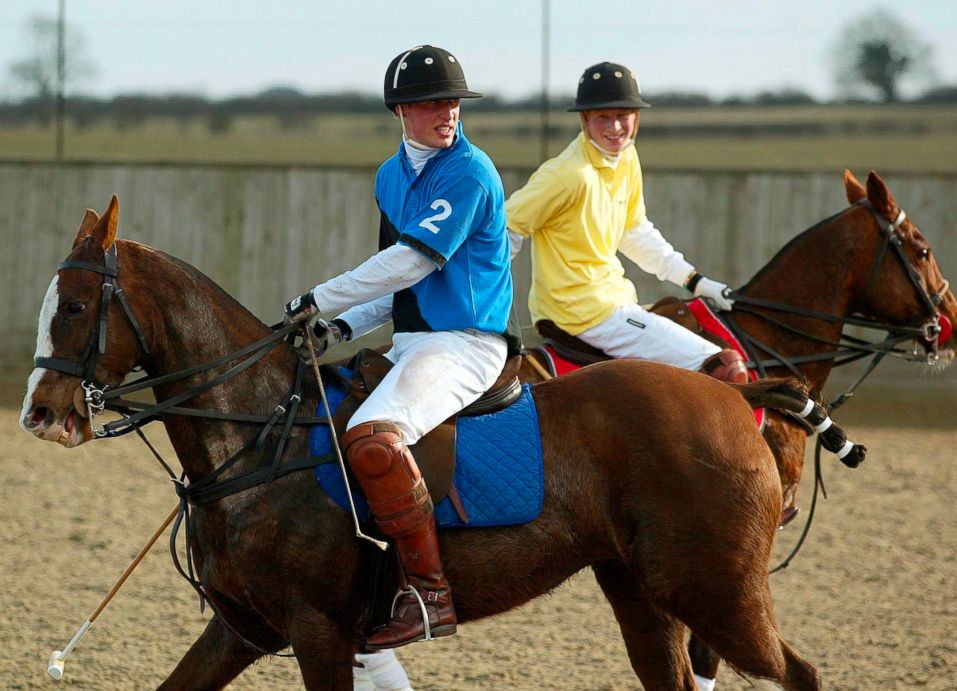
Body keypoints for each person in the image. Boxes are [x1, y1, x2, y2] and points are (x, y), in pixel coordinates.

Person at [284, 45, 516, 651]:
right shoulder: (390, 177)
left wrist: (321, 298)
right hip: (413, 340)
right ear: (401, 110)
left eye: (454, 101)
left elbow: (414, 259)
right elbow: (399, 282)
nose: (448, 112)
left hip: (467, 343)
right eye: (432, 102)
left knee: (372, 439)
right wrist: (340, 328)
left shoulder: (470, 171)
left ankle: (429, 595)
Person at [505, 61, 747, 386]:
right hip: (583, 314)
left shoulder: (627, 158)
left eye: (623, 115)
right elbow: (506, 229)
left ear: (637, 118)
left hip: (615, 301)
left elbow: (635, 232)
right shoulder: (565, 175)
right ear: (585, 119)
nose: (616, 126)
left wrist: (695, 281)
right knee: (725, 366)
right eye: (603, 116)